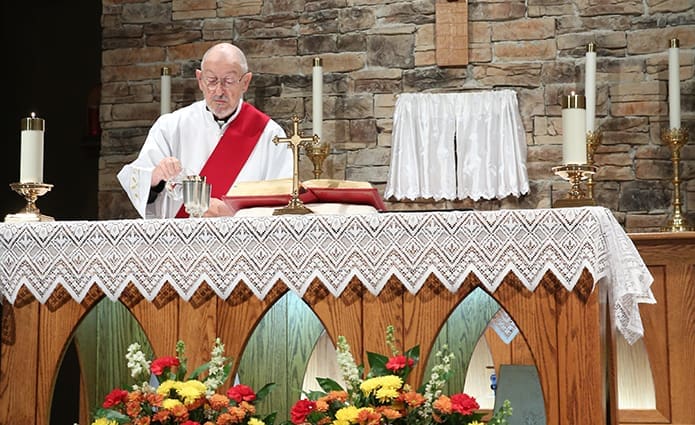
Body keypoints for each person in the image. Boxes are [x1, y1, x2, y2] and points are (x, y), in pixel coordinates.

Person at [117, 43, 292, 218]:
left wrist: (234, 214)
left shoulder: (270, 135)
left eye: (228, 81)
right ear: (200, 80)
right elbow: (139, 185)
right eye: (211, 80)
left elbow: (282, 203)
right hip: (180, 241)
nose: (219, 90)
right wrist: (155, 177)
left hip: (242, 241)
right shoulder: (170, 127)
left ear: (245, 82)